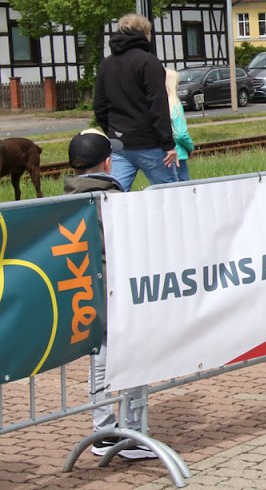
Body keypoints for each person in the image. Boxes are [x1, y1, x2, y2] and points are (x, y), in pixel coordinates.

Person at [64, 129, 158, 459]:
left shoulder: (64, 201)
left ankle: (102, 430)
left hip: (84, 292)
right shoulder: (114, 200)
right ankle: (132, 431)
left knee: (100, 357)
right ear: (107, 163)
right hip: (117, 291)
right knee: (134, 354)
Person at [94, 13, 178, 190]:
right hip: (149, 142)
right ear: (145, 33)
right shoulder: (149, 62)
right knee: (169, 193)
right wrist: (168, 144)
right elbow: (158, 105)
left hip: (119, 143)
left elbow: (100, 106)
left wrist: (112, 131)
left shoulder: (106, 64)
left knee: (115, 195)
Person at [164, 67, 195, 181]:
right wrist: (190, 147)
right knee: (182, 186)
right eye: (177, 83)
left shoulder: (155, 105)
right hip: (178, 154)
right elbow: (180, 134)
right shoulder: (175, 105)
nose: (178, 86)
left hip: (161, 155)